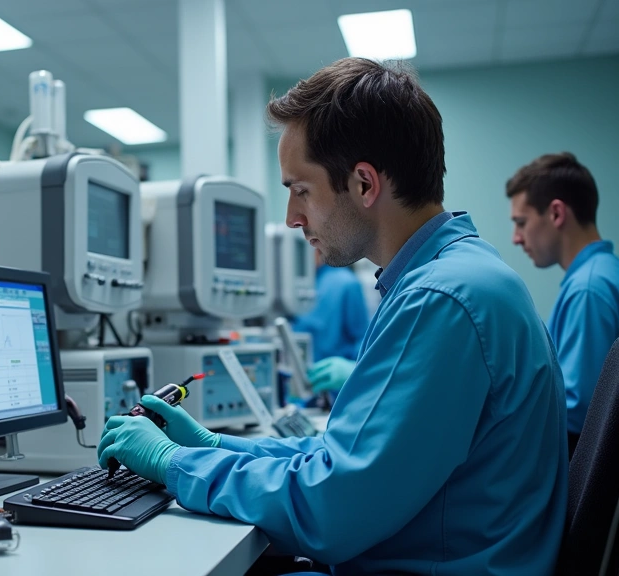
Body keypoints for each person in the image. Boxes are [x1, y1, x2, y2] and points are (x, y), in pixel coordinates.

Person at [97, 58, 567, 575]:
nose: (292, 219)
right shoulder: (458, 276)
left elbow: (330, 509)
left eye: (301, 190)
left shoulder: (441, 298)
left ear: (364, 184)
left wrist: (174, 464)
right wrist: (215, 445)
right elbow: (345, 457)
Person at [507, 152, 619, 456]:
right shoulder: (604, 273)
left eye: (521, 222)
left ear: (556, 213)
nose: (516, 238)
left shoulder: (588, 289)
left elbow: (575, 412)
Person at [292, 249, 370, 394]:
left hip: (337, 389)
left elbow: (362, 339)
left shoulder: (346, 283)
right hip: (302, 387)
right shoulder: (296, 285)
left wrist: (355, 370)